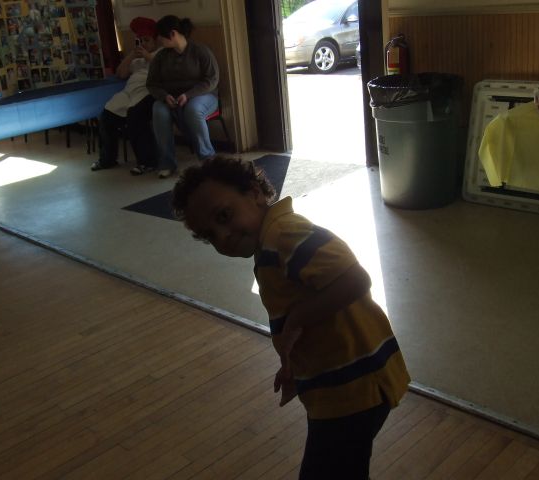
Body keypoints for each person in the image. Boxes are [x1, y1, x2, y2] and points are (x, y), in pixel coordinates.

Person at [171, 157, 411, 480]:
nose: (223, 236)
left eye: (224, 216)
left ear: (255, 193)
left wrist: (297, 318)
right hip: (339, 384)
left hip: (354, 387)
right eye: (210, 235)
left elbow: (355, 280)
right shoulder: (269, 245)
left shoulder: (284, 234)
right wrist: (296, 366)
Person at [146, 15, 219, 179]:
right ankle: (167, 163)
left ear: (173, 34)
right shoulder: (161, 57)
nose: (159, 41)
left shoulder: (200, 51)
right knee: (158, 110)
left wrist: (188, 95)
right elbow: (152, 83)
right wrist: (164, 96)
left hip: (203, 95)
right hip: (171, 98)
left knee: (193, 110)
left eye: (161, 37)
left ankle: (208, 160)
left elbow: (212, 80)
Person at [91, 17, 160, 175]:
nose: (143, 43)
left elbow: (162, 68)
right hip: (129, 93)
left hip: (148, 93)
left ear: (155, 41)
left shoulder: (160, 54)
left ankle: (147, 162)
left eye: (147, 40)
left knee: (135, 116)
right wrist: (131, 56)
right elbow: (121, 74)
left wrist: (147, 55)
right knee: (106, 115)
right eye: (140, 40)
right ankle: (107, 159)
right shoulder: (136, 60)